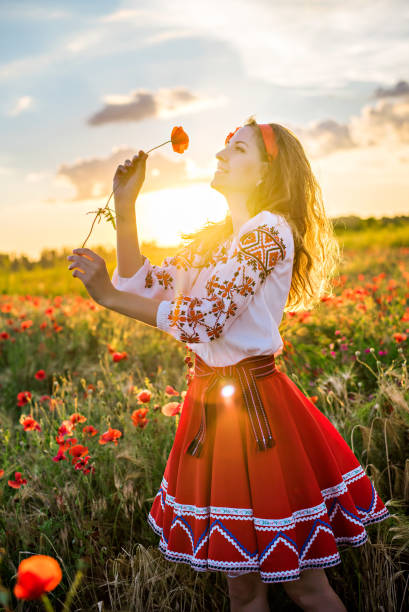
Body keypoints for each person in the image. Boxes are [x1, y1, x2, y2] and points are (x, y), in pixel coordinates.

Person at [67, 117, 391, 612]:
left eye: (237, 150)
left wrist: (107, 296)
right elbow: (145, 283)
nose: (220, 156)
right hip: (213, 413)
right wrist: (126, 206)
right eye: (224, 148)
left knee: (304, 585)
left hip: (262, 414)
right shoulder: (217, 239)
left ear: (265, 174)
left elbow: (204, 321)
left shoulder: (269, 231)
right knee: (241, 591)